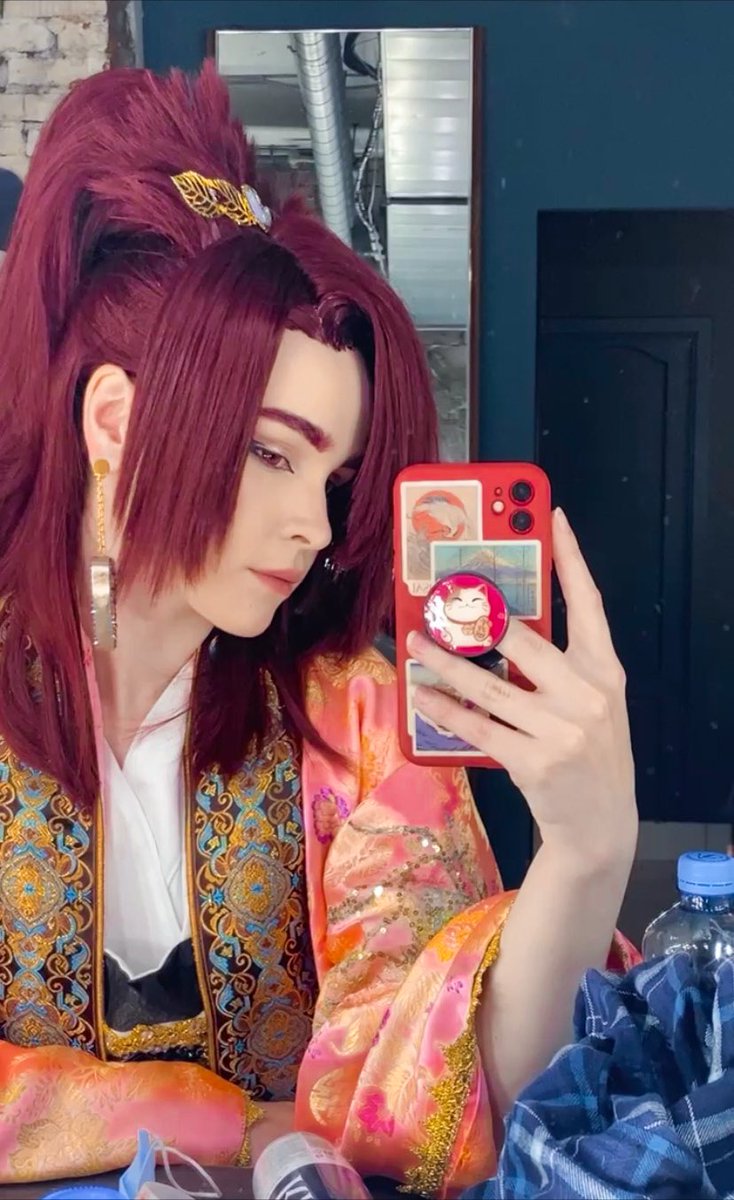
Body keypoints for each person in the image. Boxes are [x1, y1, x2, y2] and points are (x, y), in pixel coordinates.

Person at [0, 62, 638, 1195]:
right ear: (116, 421)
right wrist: (211, 1117)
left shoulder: (349, 708)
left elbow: (428, 1090)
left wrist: (585, 861)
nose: (315, 525)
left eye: (334, 479)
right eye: (270, 451)